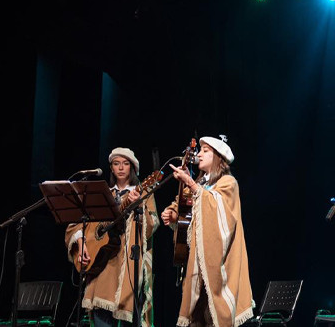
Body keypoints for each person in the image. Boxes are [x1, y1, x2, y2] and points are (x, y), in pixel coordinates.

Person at [161, 135, 253, 327]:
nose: (199, 154)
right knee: (196, 318)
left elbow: (219, 212)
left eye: (205, 151)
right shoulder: (200, 184)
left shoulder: (228, 183)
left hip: (219, 265)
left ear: (218, 157)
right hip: (196, 265)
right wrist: (173, 214)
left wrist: (192, 184)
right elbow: (183, 207)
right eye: (200, 150)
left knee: (214, 317)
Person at [65, 147, 159, 327]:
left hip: (128, 263)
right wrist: (81, 241)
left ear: (133, 168)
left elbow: (152, 226)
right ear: (112, 168)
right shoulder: (102, 194)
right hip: (103, 264)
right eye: (116, 164)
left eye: (125, 164)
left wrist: (138, 205)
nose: (121, 168)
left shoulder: (143, 193)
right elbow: (76, 223)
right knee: (101, 319)